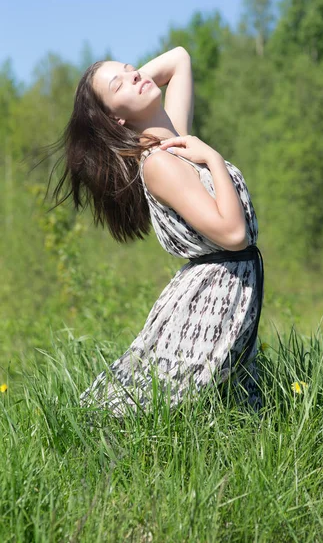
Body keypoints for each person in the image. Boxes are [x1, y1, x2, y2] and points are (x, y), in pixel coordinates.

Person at [50, 46, 264, 417]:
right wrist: (211, 157)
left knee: (228, 404)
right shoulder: (160, 164)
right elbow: (233, 235)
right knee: (170, 402)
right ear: (115, 119)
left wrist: (124, 90)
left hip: (228, 286)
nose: (135, 74)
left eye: (131, 67)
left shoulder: (175, 140)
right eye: (121, 83)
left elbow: (180, 57)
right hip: (211, 296)